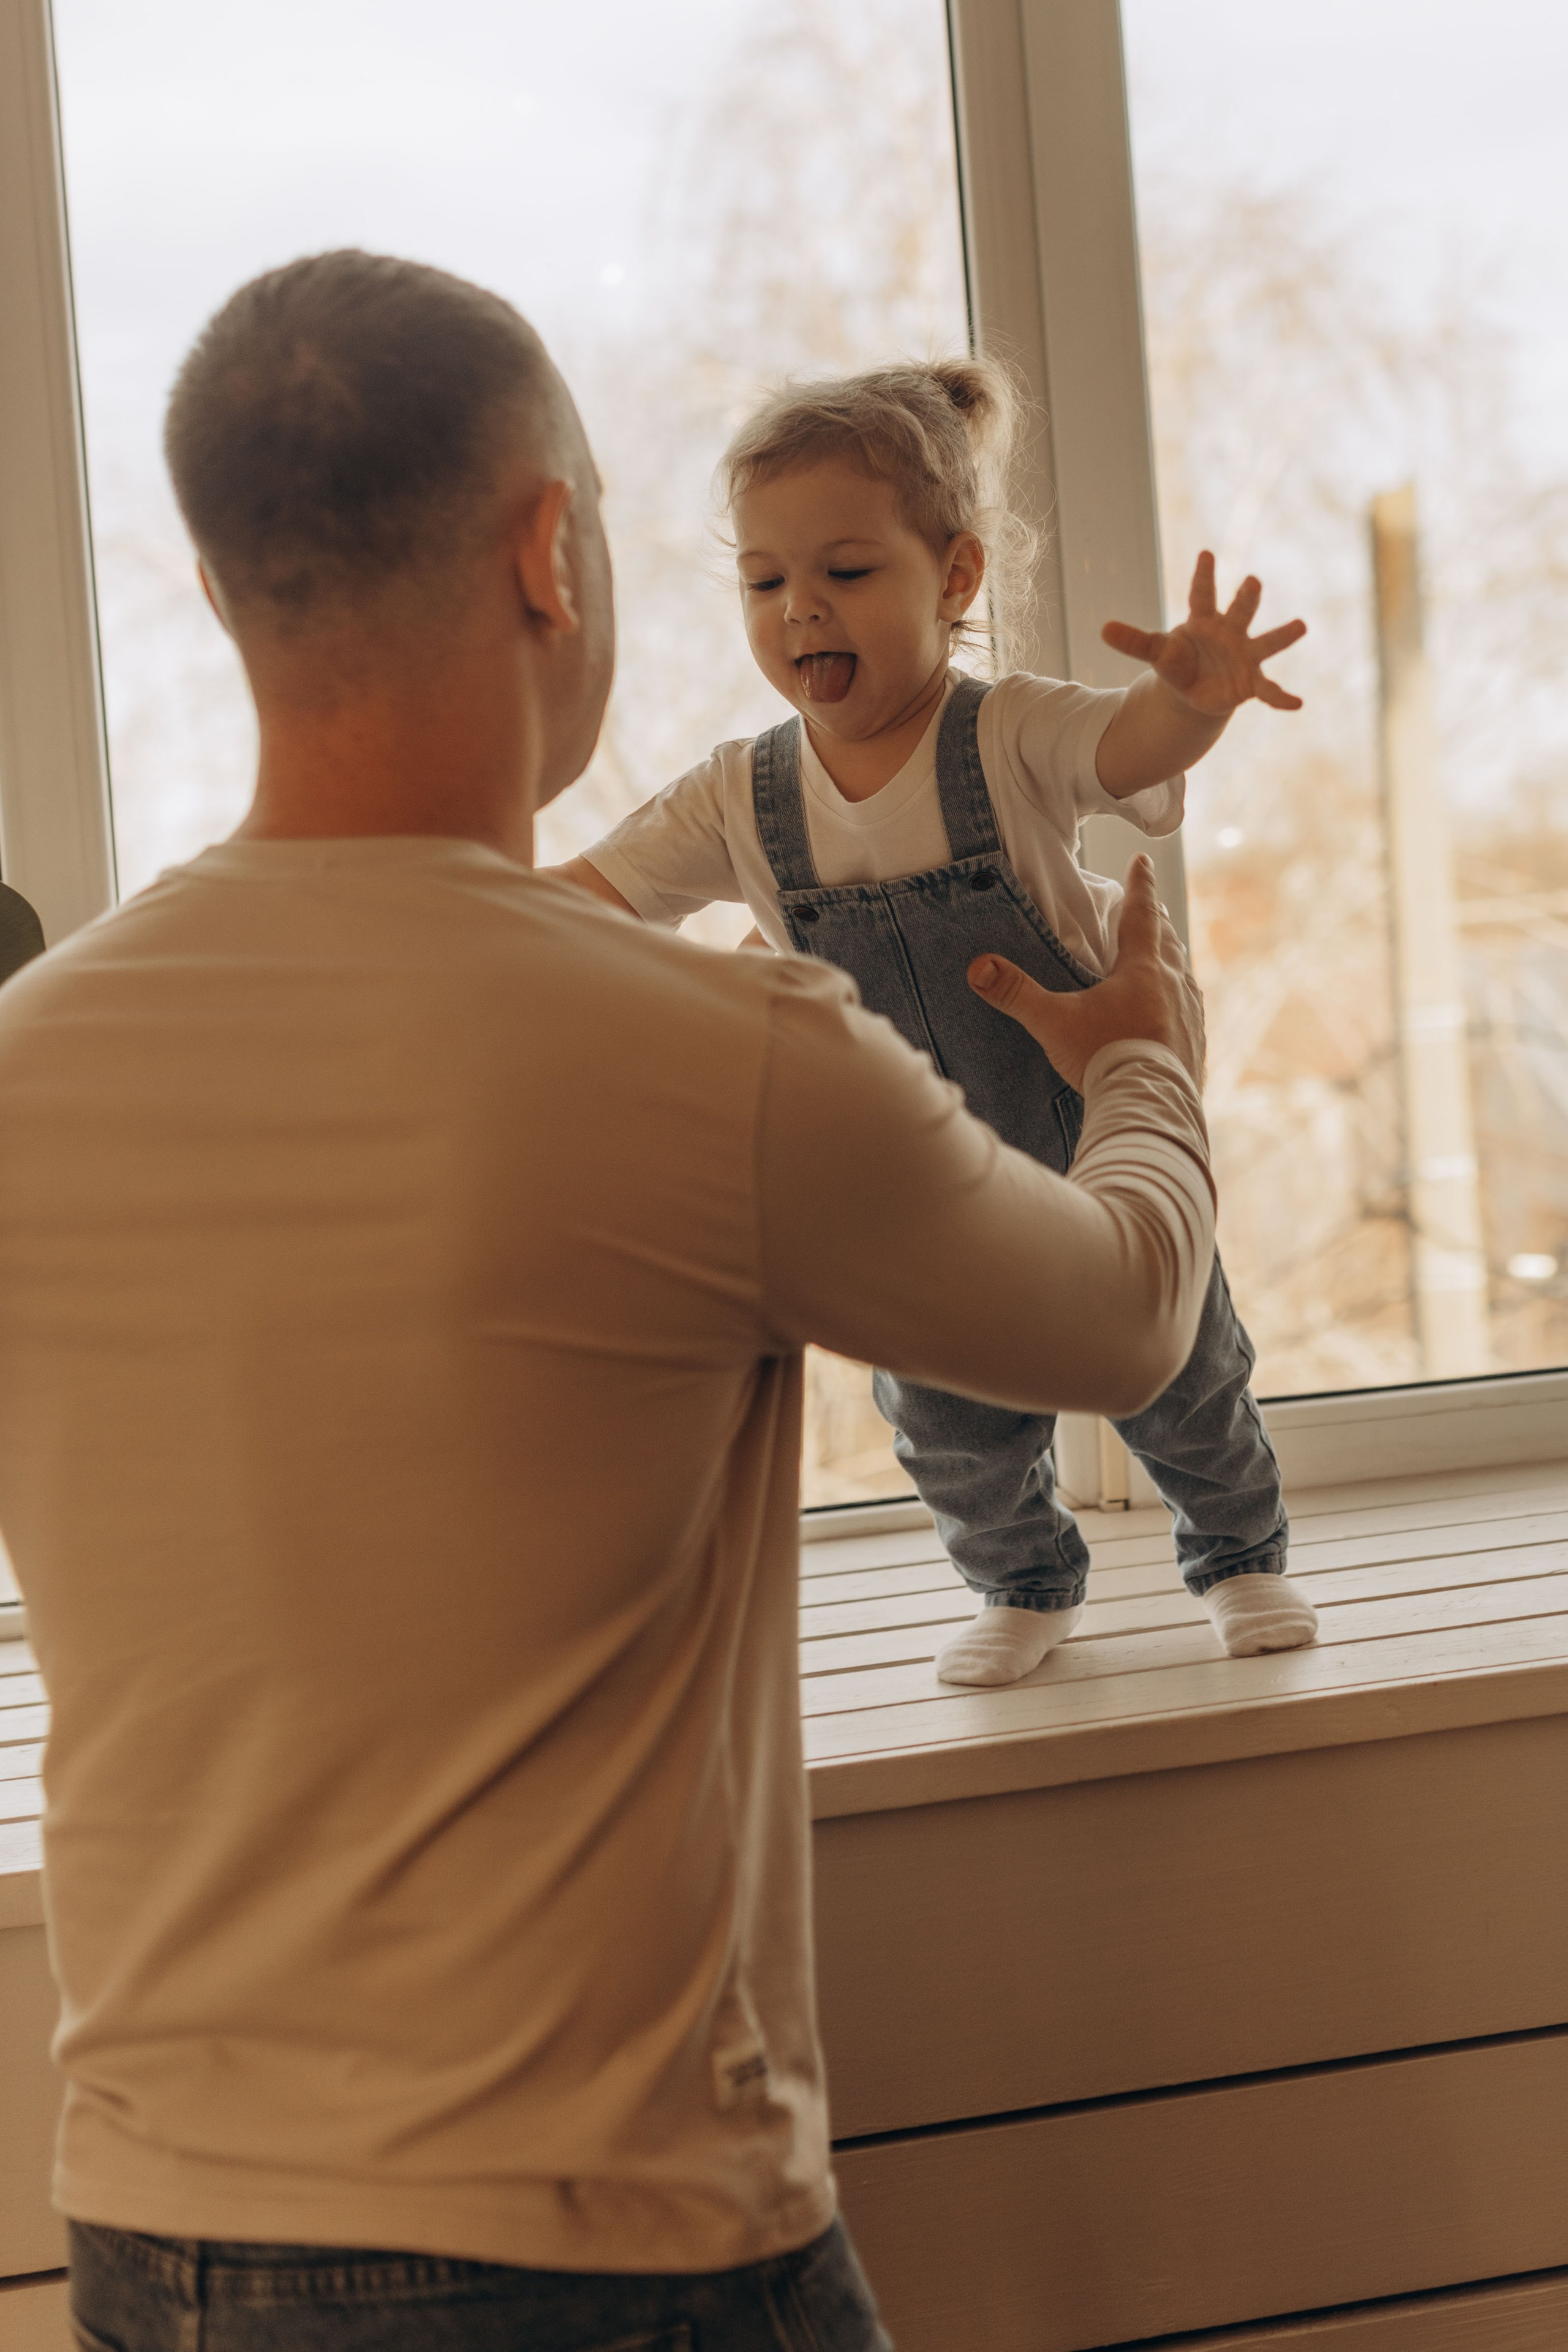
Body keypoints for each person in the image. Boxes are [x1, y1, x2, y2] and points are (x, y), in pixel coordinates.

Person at [0, 254, 1213, 2352]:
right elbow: (1125, 1325)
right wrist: (1140, 1064)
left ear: (217, 588)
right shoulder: (715, 1052)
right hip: (610, 2252)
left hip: (152, 2240)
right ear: (549, 553)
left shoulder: (28, 1062)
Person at [556, 358, 1319, 1689]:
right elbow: (586, 901)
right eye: (762, 581)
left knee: (1183, 1366)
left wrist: (1190, 700)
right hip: (908, 1174)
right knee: (945, 1411)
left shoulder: (1004, 733)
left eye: (846, 571)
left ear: (955, 578)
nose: (799, 608)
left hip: (1086, 1128)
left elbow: (1126, 747)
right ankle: (1019, 1581)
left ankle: (1239, 1555)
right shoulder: (737, 797)